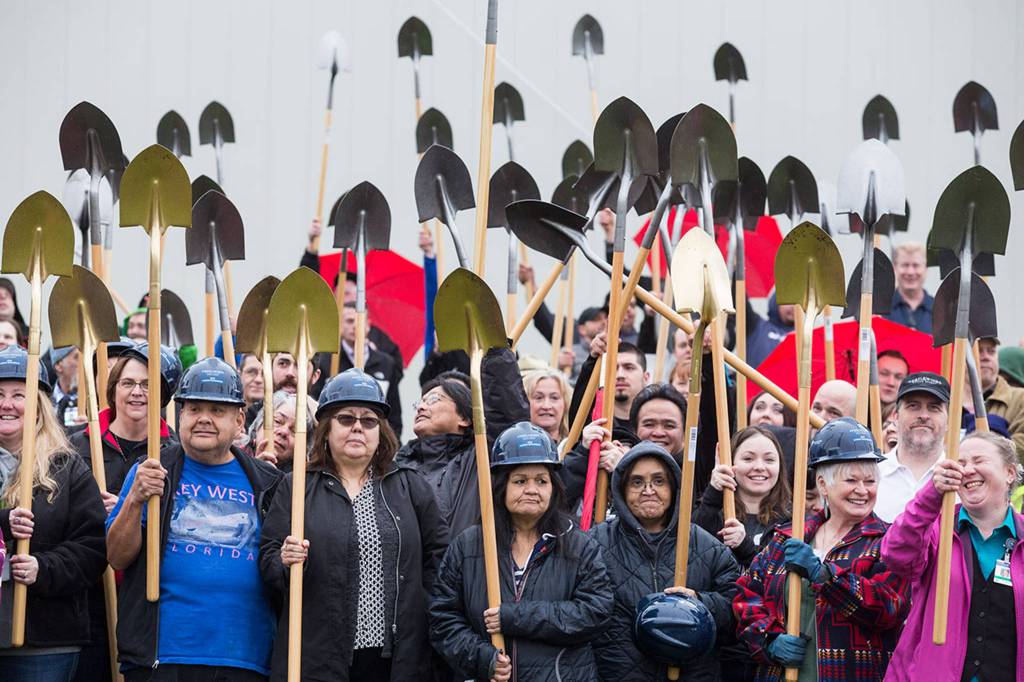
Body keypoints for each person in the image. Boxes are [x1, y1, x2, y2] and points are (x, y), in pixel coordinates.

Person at [260, 368, 448, 680]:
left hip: (399, 660)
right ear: (327, 429)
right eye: (346, 419)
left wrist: (423, 610)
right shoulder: (296, 487)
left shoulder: (410, 485)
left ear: (381, 430)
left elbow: (439, 558)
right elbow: (267, 562)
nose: (358, 428)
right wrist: (284, 560)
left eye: (369, 420)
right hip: (318, 655)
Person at [106, 357, 283, 680]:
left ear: (240, 420)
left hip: (245, 658)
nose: (204, 419)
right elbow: (116, 556)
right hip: (162, 657)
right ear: (179, 413)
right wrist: (134, 499)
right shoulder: (151, 471)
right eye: (194, 408)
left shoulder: (269, 482)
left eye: (217, 411)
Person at [430, 422, 613, 682]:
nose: (531, 489)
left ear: (554, 487)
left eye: (541, 480)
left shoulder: (579, 545)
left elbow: (595, 612)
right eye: (520, 481)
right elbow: (443, 619)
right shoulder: (469, 545)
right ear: (502, 487)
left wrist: (514, 617)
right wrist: (483, 658)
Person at [734, 418, 910, 681]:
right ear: (823, 485)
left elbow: (889, 609)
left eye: (870, 481)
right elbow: (747, 596)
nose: (862, 490)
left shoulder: (887, 542)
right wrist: (768, 640)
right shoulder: (789, 536)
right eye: (851, 480)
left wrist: (826, 577)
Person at [69, 344, 181, 682]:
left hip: (145, 605)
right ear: (113, 388)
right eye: (127, 383)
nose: (137, 392)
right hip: (87, 603)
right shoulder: (75, 446)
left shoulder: (175, 453)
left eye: (147, 385)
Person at [591, 441, 740, 681]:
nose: (648, 490)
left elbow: (738, 609)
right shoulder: (595, 545)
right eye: (637, 482)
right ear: (621, 488)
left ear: (674, 488)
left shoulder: (706, 545)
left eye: (659, 481)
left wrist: (701, 604)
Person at [0, 346, 107, 680]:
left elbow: (92, 549)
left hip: (43, 641)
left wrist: (42, 568)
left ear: (39, 406)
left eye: (19, 394)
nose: (7, 404)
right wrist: (4, 523)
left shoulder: (67, 468)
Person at [882, 431, 1024, 681]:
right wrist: (931, 496)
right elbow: (896, 554)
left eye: (979, 461)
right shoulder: (937, 529)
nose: (967, 470)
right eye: (960, 464)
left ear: (1010, 473)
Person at [397, 349, 529, 539]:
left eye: (434, 400)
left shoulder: (479, 461)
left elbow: (506, 416)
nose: (421, 407)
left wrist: (495, 353)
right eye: (420, 402)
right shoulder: (399, 468)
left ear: (465, 418)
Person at [695, 426, 792, 566]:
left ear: (780, 467)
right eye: (748, 458)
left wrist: (744, 546)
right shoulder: (711, 511)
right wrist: (713, 494)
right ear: (730, 463)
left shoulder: (791, 521)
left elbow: (777, 580)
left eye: (769, 460)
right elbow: (691, 551)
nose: (759, 466)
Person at [315, 303, 403, 435]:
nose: (355, 326)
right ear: (340, 325)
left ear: (368, 325)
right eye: (349, 321)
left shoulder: (386, 363)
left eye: (359, 321)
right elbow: (316, 406)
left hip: (377, 441)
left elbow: (394, 414)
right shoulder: (327, 361)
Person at [875, 372, 950, 522]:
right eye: (913, 406)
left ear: (949, 420)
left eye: (934, 408)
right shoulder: (872, 476)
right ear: (895, 416)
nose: (923, 415)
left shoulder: (960, 481)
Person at [977, 337, 1024, 458]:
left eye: (991, 351)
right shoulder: (948, 400)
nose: (986, 357)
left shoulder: (1020, 398)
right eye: (978, 350)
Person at [247, 390, 315, 473]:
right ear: (258, 424)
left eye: (294, 430)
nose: (283, 432)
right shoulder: (232, 457)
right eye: (277, 421)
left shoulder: (302, 482)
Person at [884, 242, 933, 333]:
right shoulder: (880, 311)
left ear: (926, 268)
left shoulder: (940, 311)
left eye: (916, 265)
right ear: (895, 267)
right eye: (905, 265)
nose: (910, 272)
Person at [746, 294, 795, 369]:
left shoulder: (804, 337)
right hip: (754, 379)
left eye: (796, 303)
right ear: (776, 302)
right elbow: (741, 301)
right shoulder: (756, 325)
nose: (793, 307)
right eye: (788, 301)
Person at [523, 368, 569, 442]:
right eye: (538, 398)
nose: (546, 406)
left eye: (554, 398)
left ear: (565, 404)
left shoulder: (576, 446)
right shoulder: (512, 448)